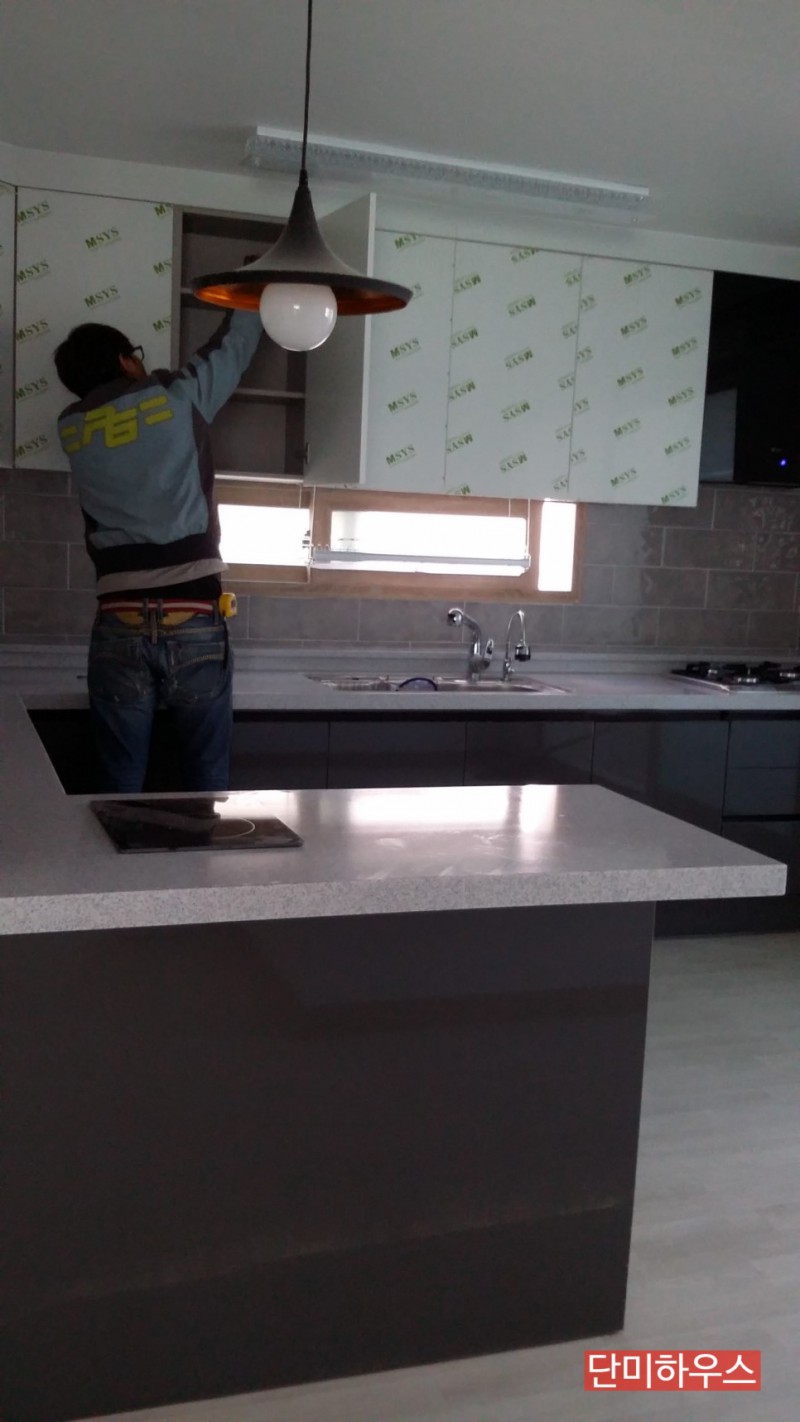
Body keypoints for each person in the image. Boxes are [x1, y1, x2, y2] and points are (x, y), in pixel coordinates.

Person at [54, 310, 264, 793]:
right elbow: (230, 349)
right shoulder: (176, 395)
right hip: (193, 614)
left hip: (118, 619)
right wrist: (251, 294)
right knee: (205, 778)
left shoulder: (71, 427)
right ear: (125, 361)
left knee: (119, 781)